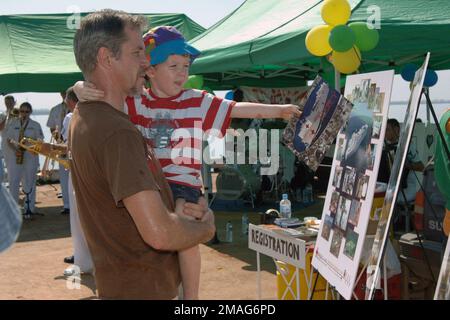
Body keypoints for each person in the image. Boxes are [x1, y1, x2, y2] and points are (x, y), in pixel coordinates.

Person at [74, 25, 301, 300]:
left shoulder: (196, 101)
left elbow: (236, 109)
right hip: (150, 186)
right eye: (174, 66)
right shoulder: (135, 101)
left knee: (185, 231)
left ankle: (191, 298)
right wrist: (78, 87)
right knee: (162, 231)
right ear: (150, 70)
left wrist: (278, 110)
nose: (183, 73)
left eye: (186, 66)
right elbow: (101, 89)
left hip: (183, 185)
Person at [70, 10, 215, 300]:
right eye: (137, 52)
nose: (146, 61)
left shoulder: (84, 115)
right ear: (106, 58)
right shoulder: (117, 133)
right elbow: (160, 233)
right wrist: (206, 227)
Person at [61, 87, 94, 276]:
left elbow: (68, 147)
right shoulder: (96, 114)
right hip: (92, 170)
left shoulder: (70, 117)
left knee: (78, 216)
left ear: (70, 101)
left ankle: (83, 260)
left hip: (77, 170)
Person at [3, 102, 44, 215]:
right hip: (15, 157)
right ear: (19, 112)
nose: (24, 114)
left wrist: (32, 147)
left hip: (30, 157)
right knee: (13, 182)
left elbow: (40, 141)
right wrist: (15, 149)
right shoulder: (13, 123)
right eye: (22, 111)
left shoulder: (35, 125)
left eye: (26, 111)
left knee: (29, 182)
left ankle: (29, 208)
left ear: (30, 112)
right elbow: (8, 139)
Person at [379, 118, 425, 204]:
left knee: (386, 198)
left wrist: (404, 164)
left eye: (387, 130)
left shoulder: (407, 145)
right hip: (387, 186)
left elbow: (421, 167)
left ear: (396, 129)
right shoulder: (383, 146)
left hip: (405, 188)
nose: (385, 133)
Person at [47, 91, 70, 214]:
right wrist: (57, 140)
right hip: (60, 145)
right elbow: (51, 127)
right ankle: (67, 205)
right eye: (62, 92)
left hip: (73, 145)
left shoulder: (76, 109)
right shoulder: (55, 109)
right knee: (63, 176)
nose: (63, 94)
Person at [1, 95, 20, 183]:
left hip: (18, 142)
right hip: (6, 143)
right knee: (9, 166)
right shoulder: (2, 114)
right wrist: (7, 117)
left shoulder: (19, 113)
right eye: (6, 102)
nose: (8, 104)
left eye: (10, 102)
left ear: (14, 102)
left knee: (20, 165)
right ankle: (12, 185)